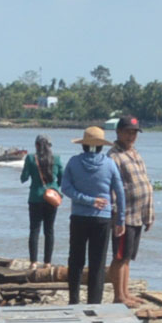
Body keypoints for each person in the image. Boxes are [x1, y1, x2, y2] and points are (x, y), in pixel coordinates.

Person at [58, 124, 121, 305]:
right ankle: (94, 302)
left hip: (79, 217)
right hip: (102, 218)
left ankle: (74, 300)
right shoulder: (110, 164)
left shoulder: (73, 162)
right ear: (101, 146)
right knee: (98, 263)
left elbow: (66, 188)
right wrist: (121, 218)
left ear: (83, 145)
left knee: (76, 260)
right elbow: (120, 192)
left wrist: (87, 200)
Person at [109, 116, 152, 304]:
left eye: (134, 132)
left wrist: (148, 215)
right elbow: (111, 189)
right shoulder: (113, 156)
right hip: (124, 215)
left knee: (127, 257)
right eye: (128, 132)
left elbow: (145, 184)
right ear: (118, 132)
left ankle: (126, 293)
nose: (131, 136)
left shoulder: (135, 153)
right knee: (119, 256)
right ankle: (119, 296)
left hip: (137, 214)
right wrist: (117, 217)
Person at [21, 134, 60, 265]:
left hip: (35, 198)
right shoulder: (57, 158)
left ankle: (33, 263)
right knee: (49, 231)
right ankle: (47, 263)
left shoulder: (31, 158)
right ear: (49, 146)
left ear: (37, 145)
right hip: (52, 199)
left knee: (34, 230)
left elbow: (23, 178)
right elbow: (62, 178)